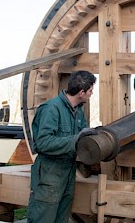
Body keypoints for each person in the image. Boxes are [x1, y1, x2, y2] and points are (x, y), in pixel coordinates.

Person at [27, 70, 98, 223]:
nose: (91, 94)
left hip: (68, 173)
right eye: (91, 90)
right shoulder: (51, 109)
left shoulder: (78, 112)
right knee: (43, 218)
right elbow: (43, 143)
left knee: (61, 219)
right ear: (81, 92)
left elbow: (83, 139)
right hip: (49, 174)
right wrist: (76, 139)